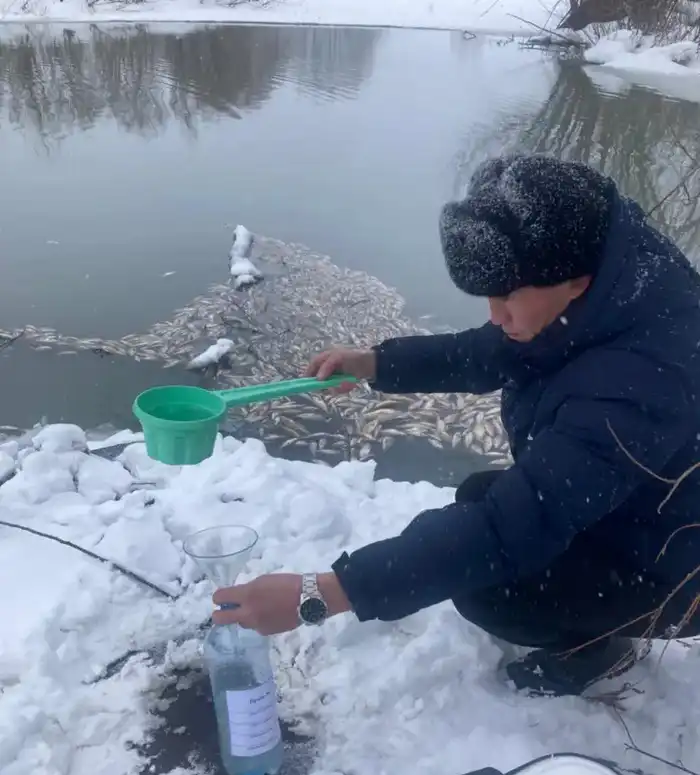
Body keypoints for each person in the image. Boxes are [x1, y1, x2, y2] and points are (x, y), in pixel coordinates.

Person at [212, 154, 700, 697]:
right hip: (643, 510)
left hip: (679, 566)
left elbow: (506, 529)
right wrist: (375, 363)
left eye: (505, 297)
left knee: (488, 586)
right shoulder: (609, 274)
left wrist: (322, 592)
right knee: (479, 496)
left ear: (574, 281)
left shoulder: (639, 380)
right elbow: (496, 350)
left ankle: (595, 653)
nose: (495, 315)